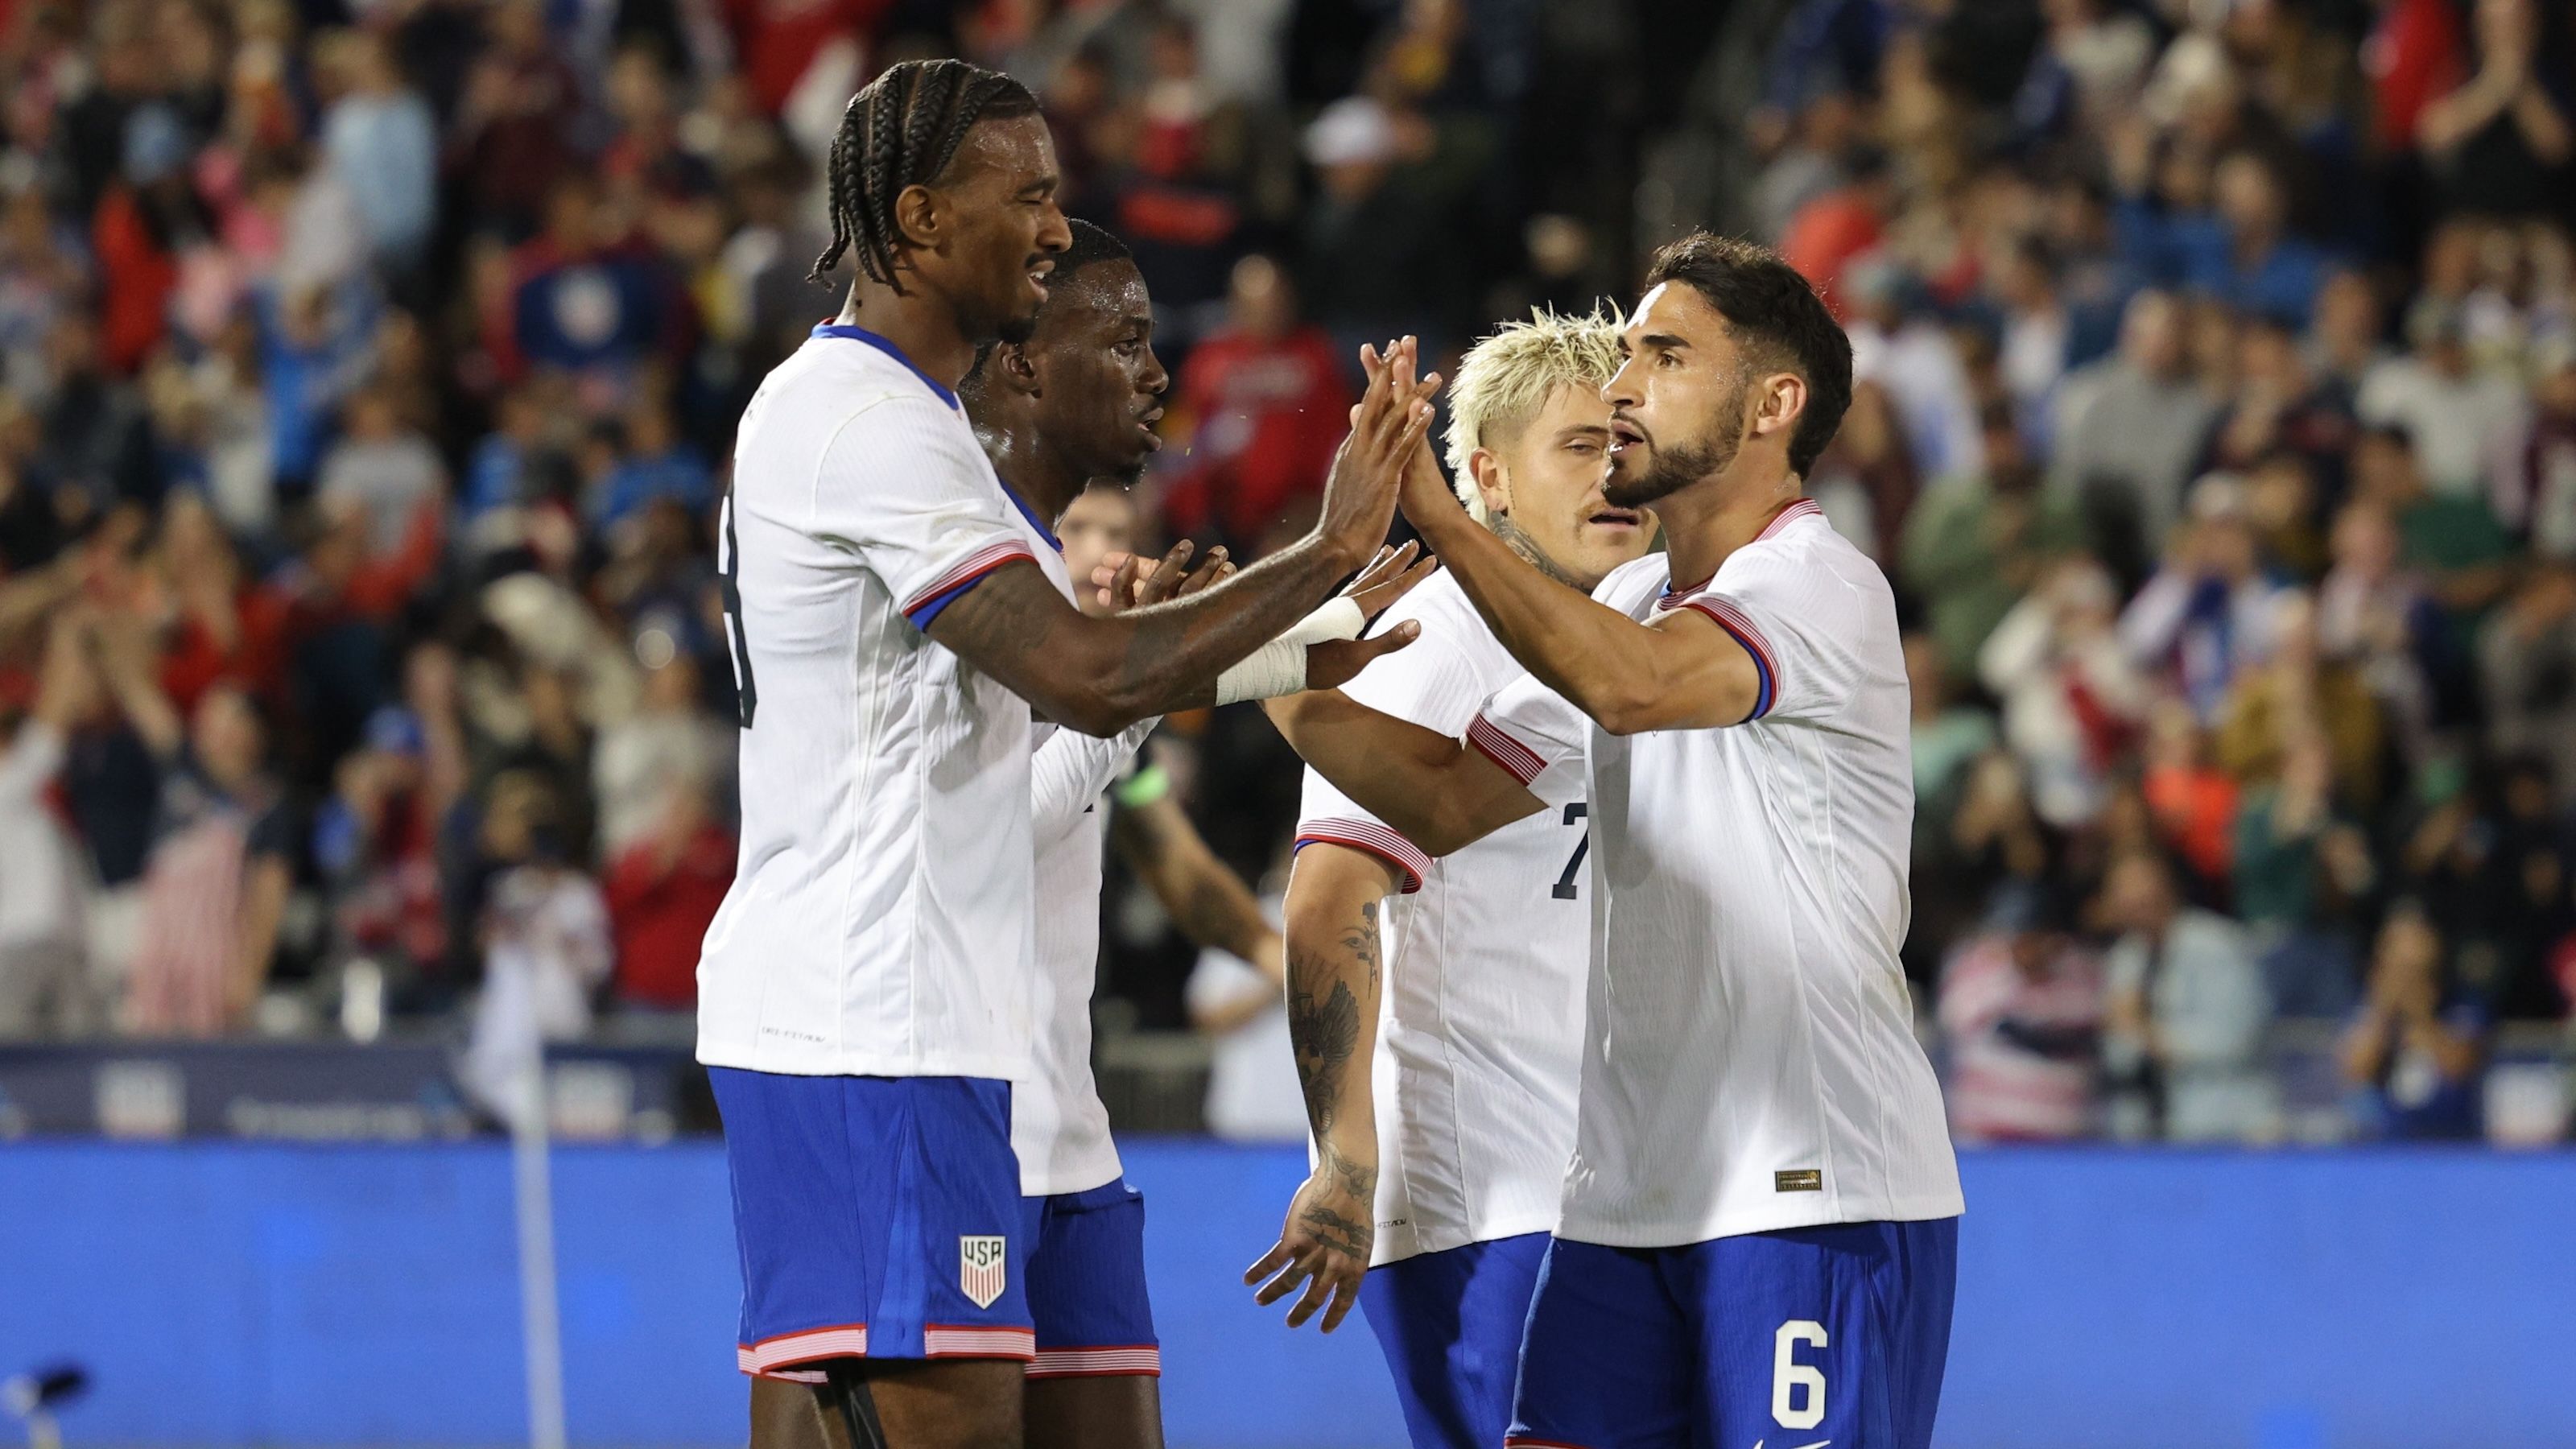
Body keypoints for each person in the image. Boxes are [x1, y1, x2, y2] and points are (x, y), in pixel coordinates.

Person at [696, 60, 1426, 1449]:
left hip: (940, 1033)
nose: (1051, 224)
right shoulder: (862, 419)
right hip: (864, 1029)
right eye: (1025, 195)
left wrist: (1293, 635)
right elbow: (1090, 682)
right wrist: (1322, 552)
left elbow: (1049, 708)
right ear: (915, 219)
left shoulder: (917, 440)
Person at [1263, 234, 1962, 1449]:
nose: (1626, 382)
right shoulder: (1629, 599)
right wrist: (1254, 657)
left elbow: (1634, 691)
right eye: (1629, 351)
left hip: (1807, 1181)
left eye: (1668, 354)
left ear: (1773, 405)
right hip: (1623, 1202)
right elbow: (1434, 801)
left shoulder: (1817, 584)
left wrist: (1441, 516)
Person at [1261, 307, 1649, 1449]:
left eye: (1624, 442)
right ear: (1484, 474)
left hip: (1607, 1184)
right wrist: (1345, 1155)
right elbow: (1334, 893)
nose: (1614, 473)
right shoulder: (1437, 635)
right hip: (1491, 1194)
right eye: (1579, 446)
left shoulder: (1638, 637)